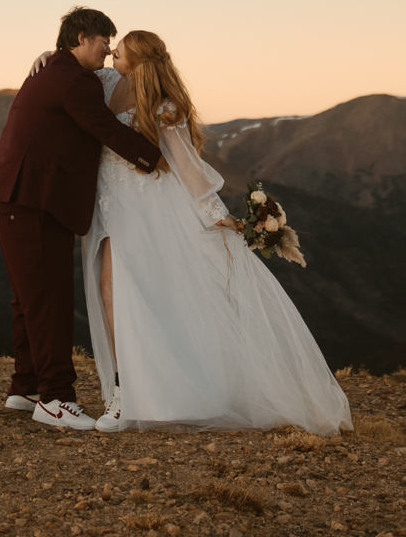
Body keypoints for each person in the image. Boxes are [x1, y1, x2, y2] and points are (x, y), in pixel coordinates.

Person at [78, 30, 351, 435]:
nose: (111, 52)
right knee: (111, 293)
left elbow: (188, 168)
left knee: (139, 295)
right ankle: (126, 391)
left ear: (137, 63)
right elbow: (67, 69)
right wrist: (48, 57)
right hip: (111, 208)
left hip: (152, 212)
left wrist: (216, 213)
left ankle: (138, 394)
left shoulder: (166, 107)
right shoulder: (104, 83)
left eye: (120, 51)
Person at [0, 7, 162, 431]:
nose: (108, 49)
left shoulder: (55, 69)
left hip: (16, 196)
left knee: (30, 297)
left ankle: (26, 387)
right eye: (103, 41)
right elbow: (105, 130)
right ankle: (56, 398)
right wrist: (157, 158)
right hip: (32, 199)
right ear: (81, 37)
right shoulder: (74, 80)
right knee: (50, 299)